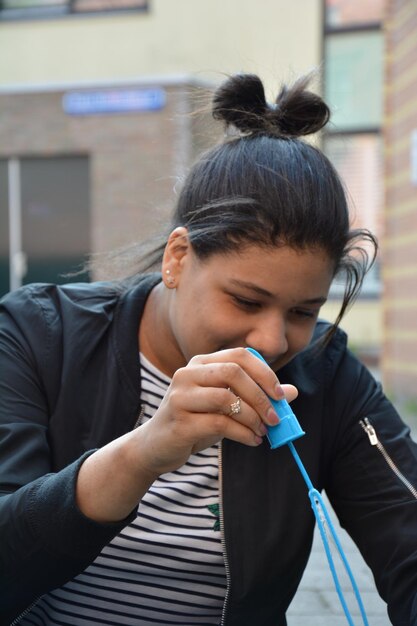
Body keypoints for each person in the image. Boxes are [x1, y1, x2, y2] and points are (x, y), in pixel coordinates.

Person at [1, 72, 416, 626]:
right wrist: (144, 452)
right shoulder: (36, 334)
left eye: (302, 312)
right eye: (246, 301)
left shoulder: (326, 375)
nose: (273, 341)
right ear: (177, 258)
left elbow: (406, 541)